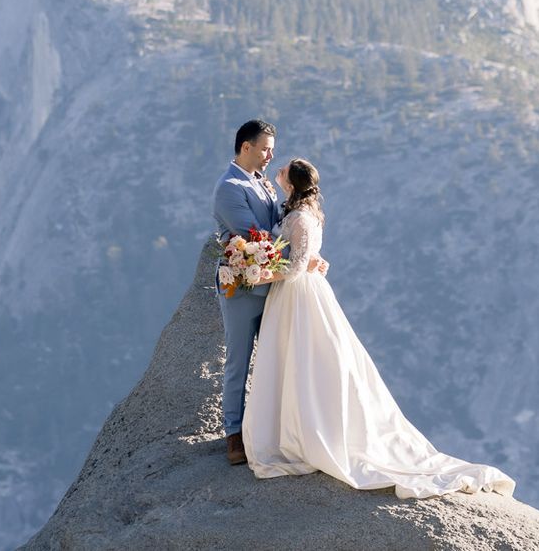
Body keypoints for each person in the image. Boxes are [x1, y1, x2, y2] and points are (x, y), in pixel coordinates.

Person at [241, 156, 516, 499]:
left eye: (282, 172)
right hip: (306, 292)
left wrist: (264, 274)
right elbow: (306, 257)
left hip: (296, 294)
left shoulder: (298, 217)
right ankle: (297, 425)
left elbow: (295, 267)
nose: (277, 173)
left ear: (292, 183)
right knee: (304, 358)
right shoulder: (307, 214)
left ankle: (298, 431)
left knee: (298, 357)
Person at [211, 119, 325, 466]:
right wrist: (300, 258)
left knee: (280, 359)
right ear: (245, 147)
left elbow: (283, 229)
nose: (270, 155)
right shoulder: (230, 187)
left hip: (276, 291)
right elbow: (258, 237)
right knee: (238, 361)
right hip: (245, 291)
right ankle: (234, 434)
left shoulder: (261, 183)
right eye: (264, 149)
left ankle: (276, 428)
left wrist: (308, 254)